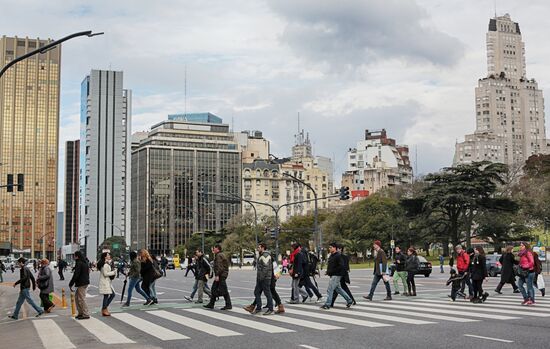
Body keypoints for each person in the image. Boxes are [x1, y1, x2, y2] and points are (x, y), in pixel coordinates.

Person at [321, 242, 353, 310]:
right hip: (333, 274)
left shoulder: (338, 256)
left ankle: (328, 304)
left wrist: (332, 271)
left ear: (334, 248)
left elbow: (341, 266)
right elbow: (331, 265)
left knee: (330, 289)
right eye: (329, 247)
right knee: (339, 289)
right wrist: (328, 272)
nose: (329, 249)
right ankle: (349, 300)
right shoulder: (332, 255)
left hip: (336, 275)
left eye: (331, 247)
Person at [246, 243, 274, 315]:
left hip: (265, 278)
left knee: (267, 293)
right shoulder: (261, 255)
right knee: (257, 292)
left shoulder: (265, 256)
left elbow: (265, 268)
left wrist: (261, 277)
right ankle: (258, 308)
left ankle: (270, 309)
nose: (258, 249)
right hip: (262, 278)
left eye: (259, 247)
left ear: (263, 248)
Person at [204, 244, 232, 310]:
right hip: (222, 274)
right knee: (215, 289)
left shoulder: (219, 255)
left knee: (222, 290)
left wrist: (217, 275)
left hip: (221, 275)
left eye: (214, 248)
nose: (213, 249)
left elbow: (219, 267)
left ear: (217, 249)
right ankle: (212, 303)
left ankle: (228, 304)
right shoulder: (220, 254)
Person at [69, 251, 90, 320]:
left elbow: (76, 274)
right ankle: (81, 313)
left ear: (77, 256)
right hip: (84, 282)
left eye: (74, 256)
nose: (73, 257)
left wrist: (71, 283)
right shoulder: (84, 262)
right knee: (77, 298)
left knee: (81, 299)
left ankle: (85, 314)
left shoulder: (79, 263)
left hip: (81, 283)